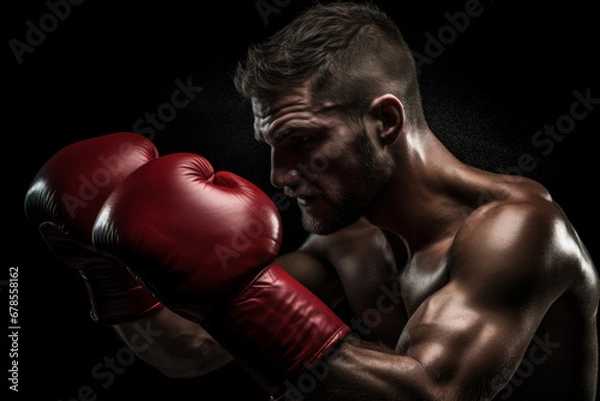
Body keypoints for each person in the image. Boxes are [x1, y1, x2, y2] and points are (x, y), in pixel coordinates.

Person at [25, 3, 598, 401]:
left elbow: (435, 394)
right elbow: (194, 351)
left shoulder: (519, 230)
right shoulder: (349, 240)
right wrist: (112, 274)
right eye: (271, 147)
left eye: (301, 142)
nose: (280, 176)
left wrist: (236, 296)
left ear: (384, 120)